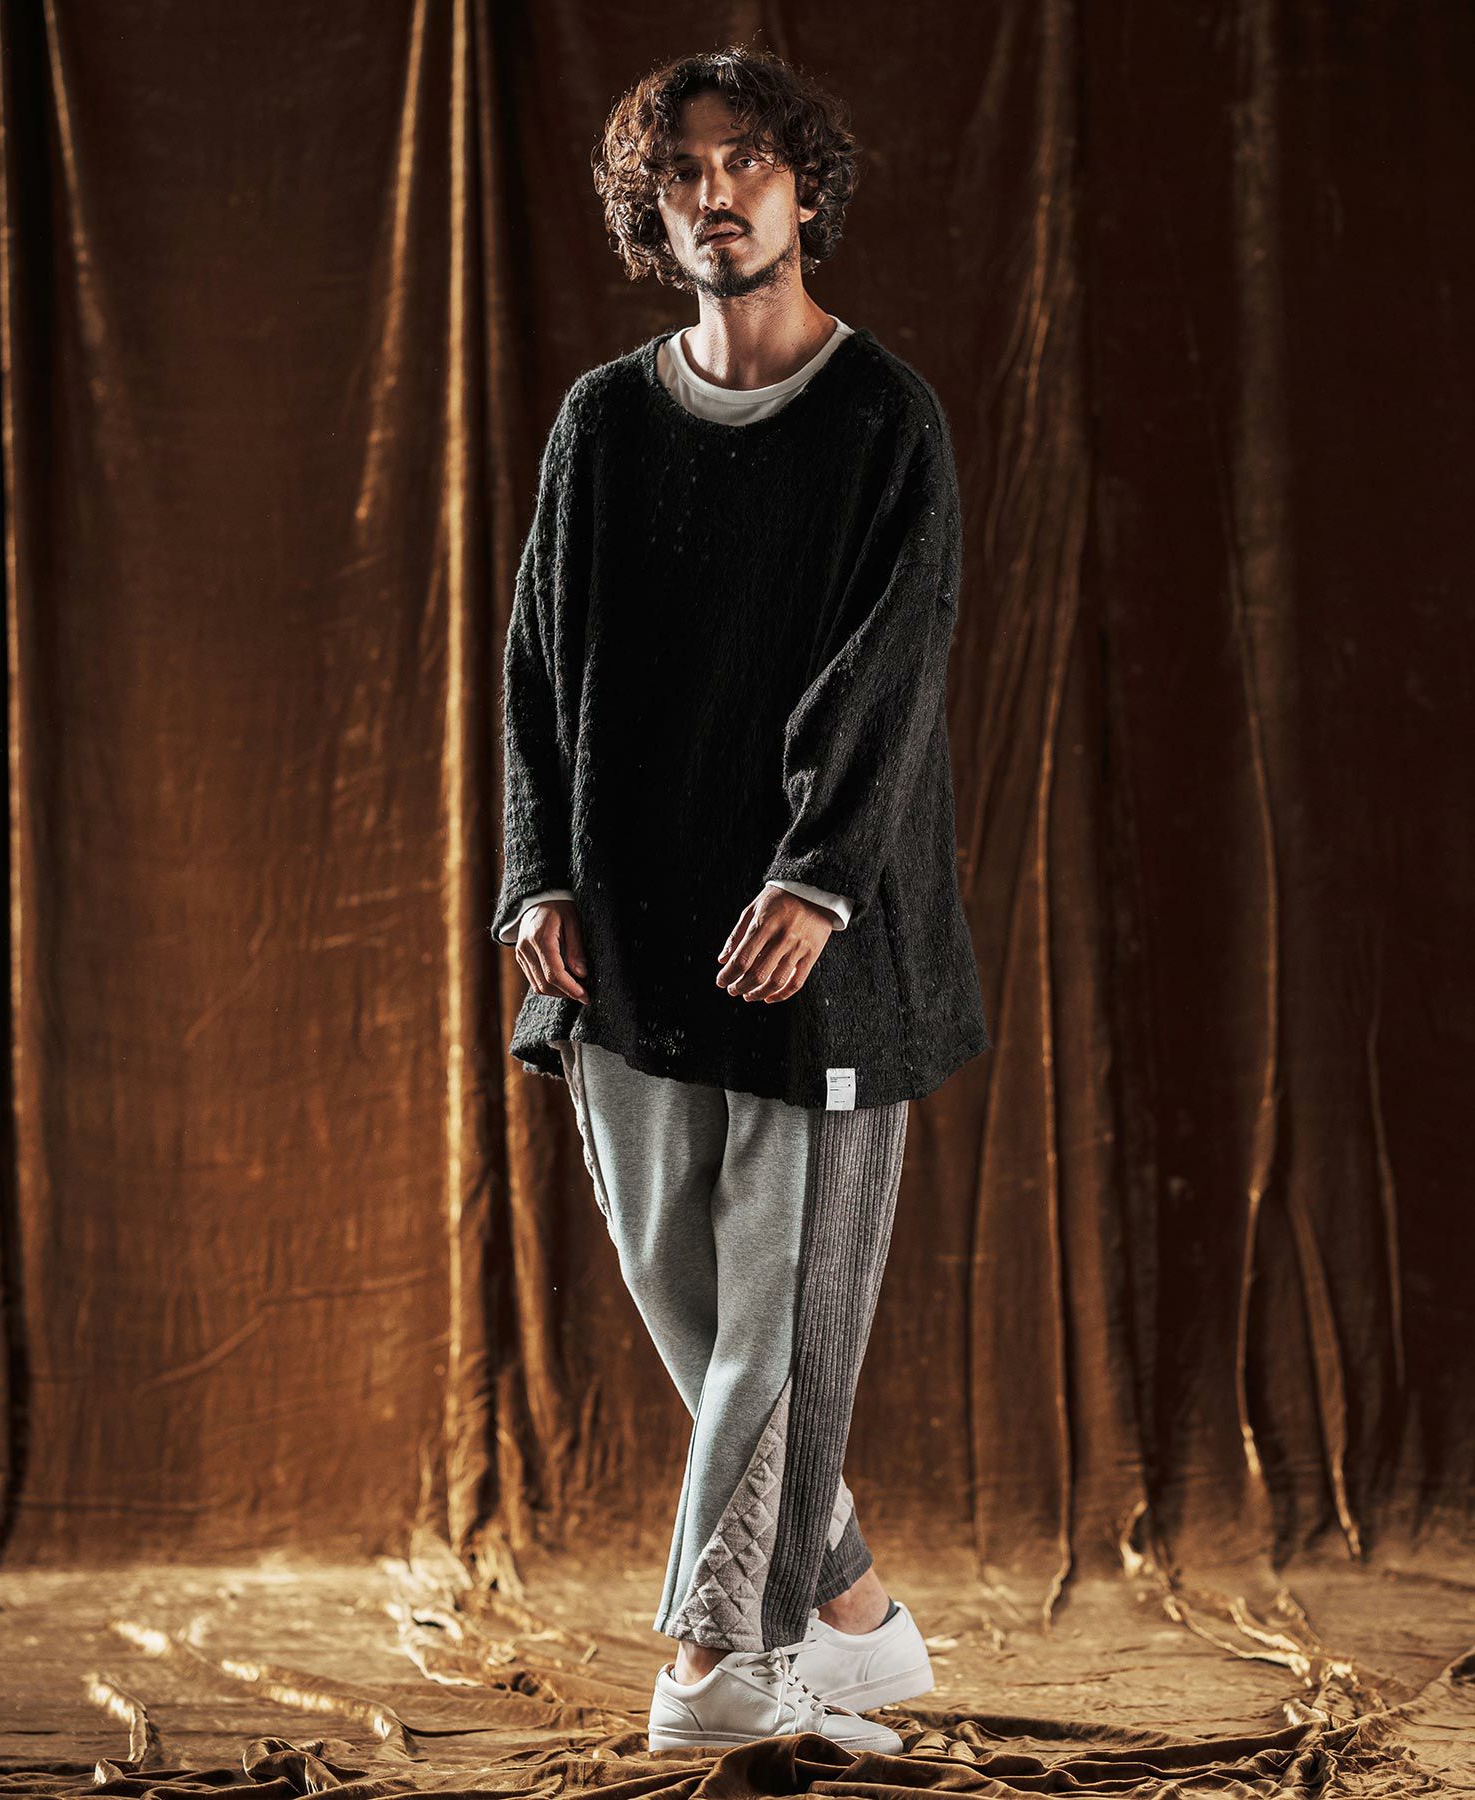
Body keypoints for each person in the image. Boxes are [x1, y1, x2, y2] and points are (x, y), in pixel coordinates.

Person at [489, 45, 991, 1756]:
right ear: (655, 209)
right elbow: (536, 664)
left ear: (804, 188)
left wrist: (820, 874)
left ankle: (721, 1657)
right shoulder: (600, 424)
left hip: (812, 946)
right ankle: (854, 1616)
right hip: (625, 936)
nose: (718, 193)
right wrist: (534, 871)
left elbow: (892, 669)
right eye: (685, 171)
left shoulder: (883, 419)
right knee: (681, 1290)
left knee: (778, 1312)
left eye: (748, 162)